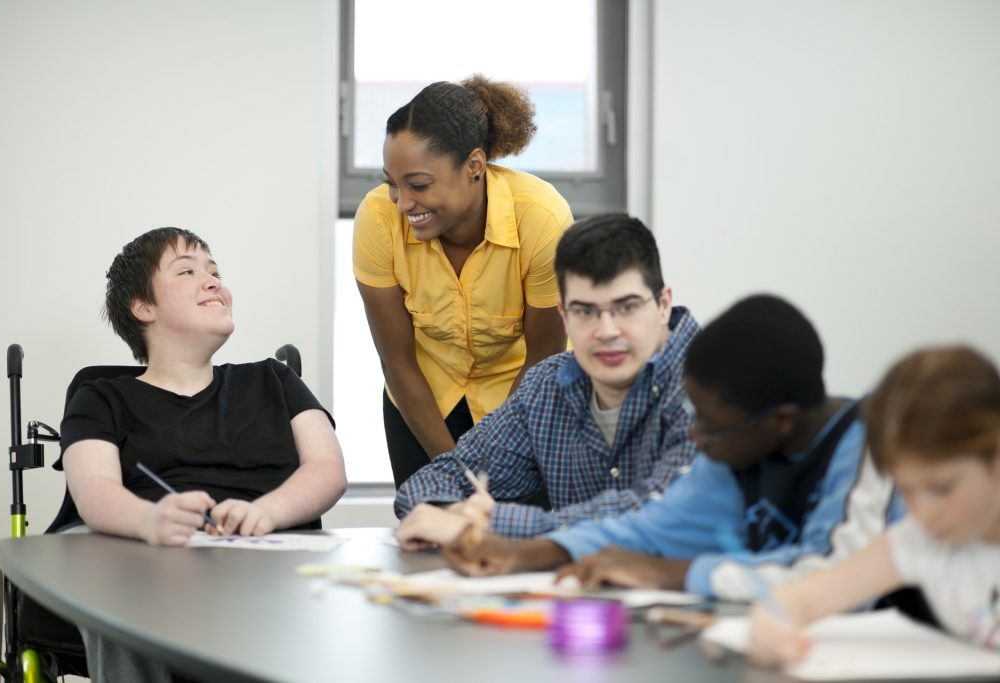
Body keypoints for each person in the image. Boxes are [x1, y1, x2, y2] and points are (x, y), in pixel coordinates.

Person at [439, 294, 903, 600]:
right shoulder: (738, 451)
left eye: (712, 427)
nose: (697, 436)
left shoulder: (873, 447)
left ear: (781, 422)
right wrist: (532, 554)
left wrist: (668, 574)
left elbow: (837, 575)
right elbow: (650, 529)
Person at [58, 227, 347, 682]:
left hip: (265, 555)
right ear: (143, 307)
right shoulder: (101, 398)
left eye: (215, 271)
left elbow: (327, 470)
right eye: (188, 271)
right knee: (110, 578)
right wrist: (150, 522)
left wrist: (267, 512)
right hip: (150, 562)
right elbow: (93, 490)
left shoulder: (274, 379)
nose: (213, 281)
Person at [394, 213, 699, 542]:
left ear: (664, 304)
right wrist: (456, 514)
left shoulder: (713, 383)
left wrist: (486, 523)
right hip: (580, 589)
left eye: (626, 308)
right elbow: (436, 481)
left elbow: (661, 516)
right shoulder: (549, 386)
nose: (607, 331)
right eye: (585, 311)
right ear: (564, 316)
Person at [353, 74, 573, 489]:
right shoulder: (378, 219)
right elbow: (397, 361)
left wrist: (496, 462)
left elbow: (543, 360)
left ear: (474, 166)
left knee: (513, 539)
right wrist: (454, 470)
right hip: (422, 398)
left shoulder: (541, 219)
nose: (402, 202)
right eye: (392, 184)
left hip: (522, 396)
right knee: (428, 535)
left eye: (418, 185)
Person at [749, 346, 1000, 665]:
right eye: (906, 491)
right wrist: (772, 625)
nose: (922, 513)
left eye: (941, 488)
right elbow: (797, 600)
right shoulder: (921, 541)